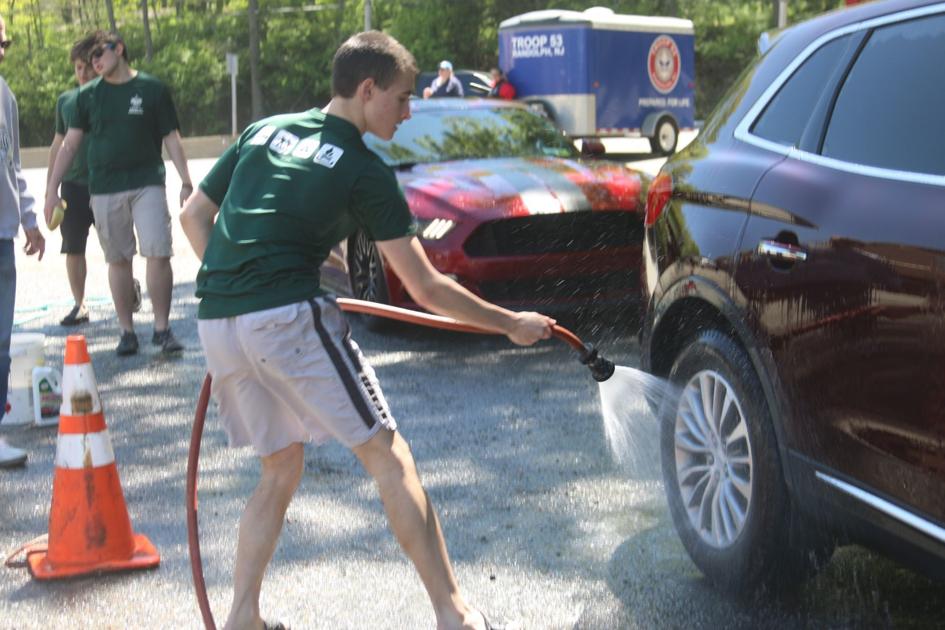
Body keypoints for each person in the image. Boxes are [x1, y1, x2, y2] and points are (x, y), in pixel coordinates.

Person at [180, 31, 554, 630]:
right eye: (402, 99)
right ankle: (454, 613)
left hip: (219, 321)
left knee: (279, 466)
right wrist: (510, 324)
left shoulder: (264, 131)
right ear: (367, 88)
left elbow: (195, 215)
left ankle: (243, 618)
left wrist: (243, 285)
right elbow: (428, 288)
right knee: (388, 455)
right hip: (285, 318)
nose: (409, 111)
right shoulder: (362, 168)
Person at [44, 30, 191, 356]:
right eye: (90, 57)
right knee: (119, 259)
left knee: (158, 250)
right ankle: (127, 332)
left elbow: (171, 137)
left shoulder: (152, 89)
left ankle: (162, 329)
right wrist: (51, 189)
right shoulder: (87, 96)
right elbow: (69, 144)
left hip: (147, 182)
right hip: (106, 187)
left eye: (99, 53)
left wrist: (187, 181)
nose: (94, 61)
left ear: (119, 49)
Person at [47, 35, 141, 327]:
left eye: (89, 67)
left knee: (118, 248)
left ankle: (129, 290)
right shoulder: (66, 101)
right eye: (78, 68)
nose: (84, 73)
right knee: (73, 247)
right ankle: (80, 304)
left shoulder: (115, 96)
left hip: (109, 184)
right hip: (74, 185)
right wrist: (50, 188)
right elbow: (58, 144)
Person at [0, 12, 46, 468]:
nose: (0, 49)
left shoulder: (5, 96)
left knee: (0, 339)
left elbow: (12, 165)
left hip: (3, 235)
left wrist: (30, 218)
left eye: (4, 42)